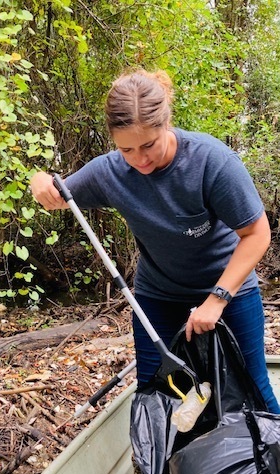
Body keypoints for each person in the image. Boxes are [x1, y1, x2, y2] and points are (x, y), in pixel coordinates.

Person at [30, 68, 280, 413]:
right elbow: (57, 192)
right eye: (127, 149)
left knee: (253, 386)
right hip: (158, 294)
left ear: (167, 123)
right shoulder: (109, 172)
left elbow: (257, 234)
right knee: (155, 393)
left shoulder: (211, 162)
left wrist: (217, 299)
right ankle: (162, 466)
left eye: (149, 144)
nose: (140, 159)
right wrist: (39, 178)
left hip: (229, 288)